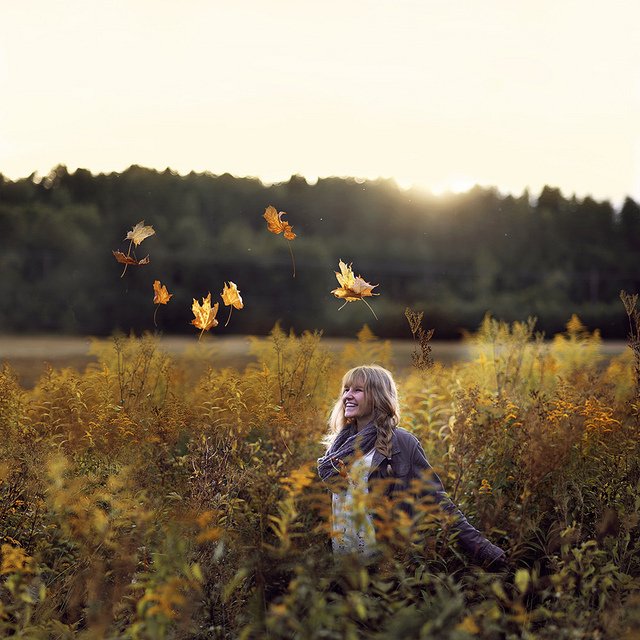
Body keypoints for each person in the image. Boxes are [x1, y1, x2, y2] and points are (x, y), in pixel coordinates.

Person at [317, 364, 506, 568]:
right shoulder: (339, 446)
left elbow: (437, 501)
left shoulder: (401, 443)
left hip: (384, 564)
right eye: (346, 389)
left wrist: (484, 549)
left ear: (378, 397)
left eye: (358, 390)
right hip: (343, 560)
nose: (347, 396)